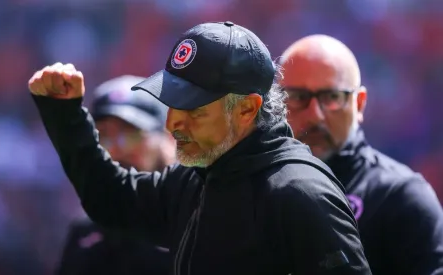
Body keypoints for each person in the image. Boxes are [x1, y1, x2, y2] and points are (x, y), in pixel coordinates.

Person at [28, 21, 372, 274]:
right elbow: (111, 200)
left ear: (247, 109)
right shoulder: (196, 178)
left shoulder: (300, 193)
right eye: (172, 104)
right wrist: (65, 115)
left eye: (193, 108)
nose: (172, 122)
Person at [279, 34, 443, 275]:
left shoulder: (401, 196)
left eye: (332, 97)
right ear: (275, 103)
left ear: (359, 104)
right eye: (298, 97)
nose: (315, 115)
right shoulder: (250, 189)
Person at [56, 75, 174, 275]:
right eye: (103, 136)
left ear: (168, 136)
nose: (115, 150)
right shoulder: (85, 234)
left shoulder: (202, 223)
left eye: (130, 134)